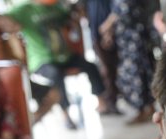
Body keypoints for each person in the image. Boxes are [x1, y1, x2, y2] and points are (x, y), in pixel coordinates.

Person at [7, 0, 110, 129]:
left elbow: (70, 18)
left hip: (64, 56)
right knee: (55, 75)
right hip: (41, 61)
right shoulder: (22, 10)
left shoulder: (56, 6)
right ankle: (65, 115)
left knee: (90, 65)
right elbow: (6, 21)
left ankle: (102, 103)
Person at [99, 0, 160, 124]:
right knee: (142, 71)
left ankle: (144, 110)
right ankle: (148, 108)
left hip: (134, 38)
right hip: (129, 38)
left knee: (136, 73)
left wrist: (108, 24)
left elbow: (123, 8)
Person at [84, 0, 121, 115]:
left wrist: (109, 31)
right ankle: (106, 102)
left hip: (109, 31)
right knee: (104, 69)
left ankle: (112, 102)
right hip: (95, 32)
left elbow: (116, 9)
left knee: (110, 70)